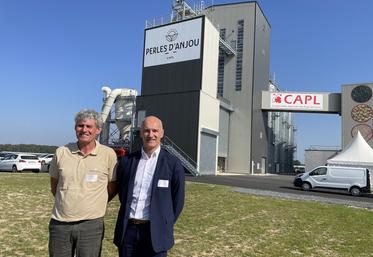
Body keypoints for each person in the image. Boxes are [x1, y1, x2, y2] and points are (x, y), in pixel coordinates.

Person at [48, 109, 117, 257]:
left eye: (88, 126)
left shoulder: (108, 154)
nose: (84, 130)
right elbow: (55, 186)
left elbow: (112, 188)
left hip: (91, 226)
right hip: (60, 224)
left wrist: (94, 204)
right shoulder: (61, 152)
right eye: (80, 126)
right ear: (75, 128)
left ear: (98, 130)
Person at [114, 115, 185, 257]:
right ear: (140, 133)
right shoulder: (127, 161)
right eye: (146, 131)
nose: (150, 135)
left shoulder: (173, 164)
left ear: (162, 133)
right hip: (128, 231)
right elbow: (123, 193)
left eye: (155, 131)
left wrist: (163, 221)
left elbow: (177, 201)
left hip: (156, 234)